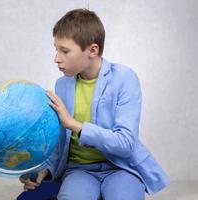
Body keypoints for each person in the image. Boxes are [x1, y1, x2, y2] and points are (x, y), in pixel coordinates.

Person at [19, 8, 169, 200]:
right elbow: (61, 141)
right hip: (79, 171)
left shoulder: (124, 78)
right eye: (56, 49)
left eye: (64, 51)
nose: (56, 58)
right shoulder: (62, 84)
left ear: (92, 50)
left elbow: (125, 144)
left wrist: (74, 124)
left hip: (121, 168)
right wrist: (46, 169)